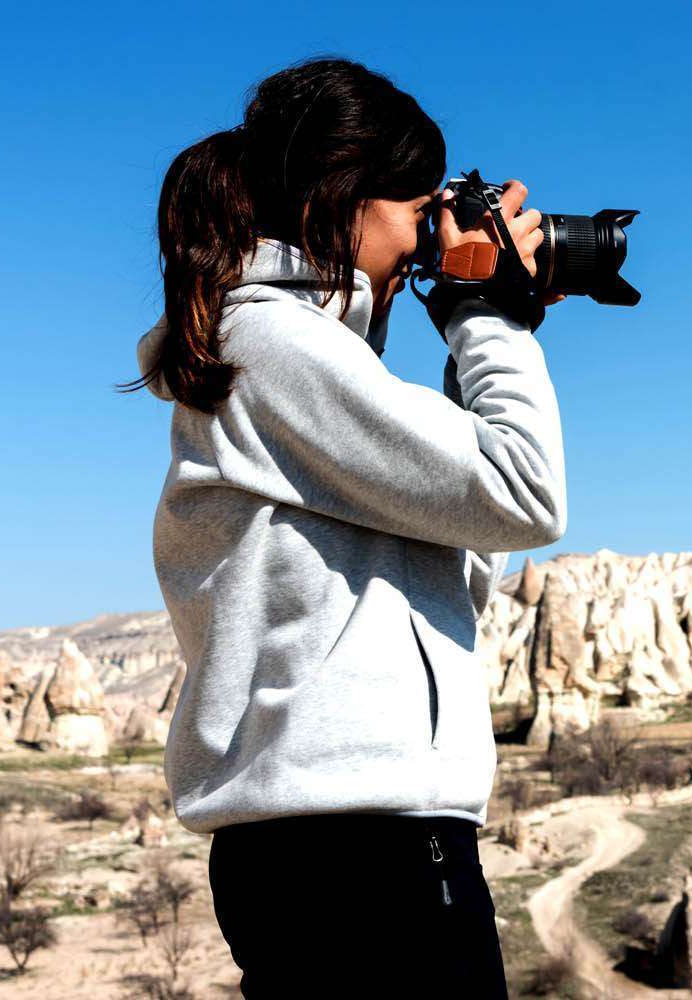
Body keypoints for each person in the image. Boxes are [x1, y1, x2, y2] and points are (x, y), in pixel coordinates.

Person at [122, 57, 567, 998]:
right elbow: (527, 493)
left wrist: (478, 344)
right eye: (416, 210)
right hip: (363, 856)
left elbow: (463, 572)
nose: (425, 242)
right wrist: (489, 320)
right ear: (345, 196)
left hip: (345, 849)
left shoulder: (291, 357)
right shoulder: (273, 344)